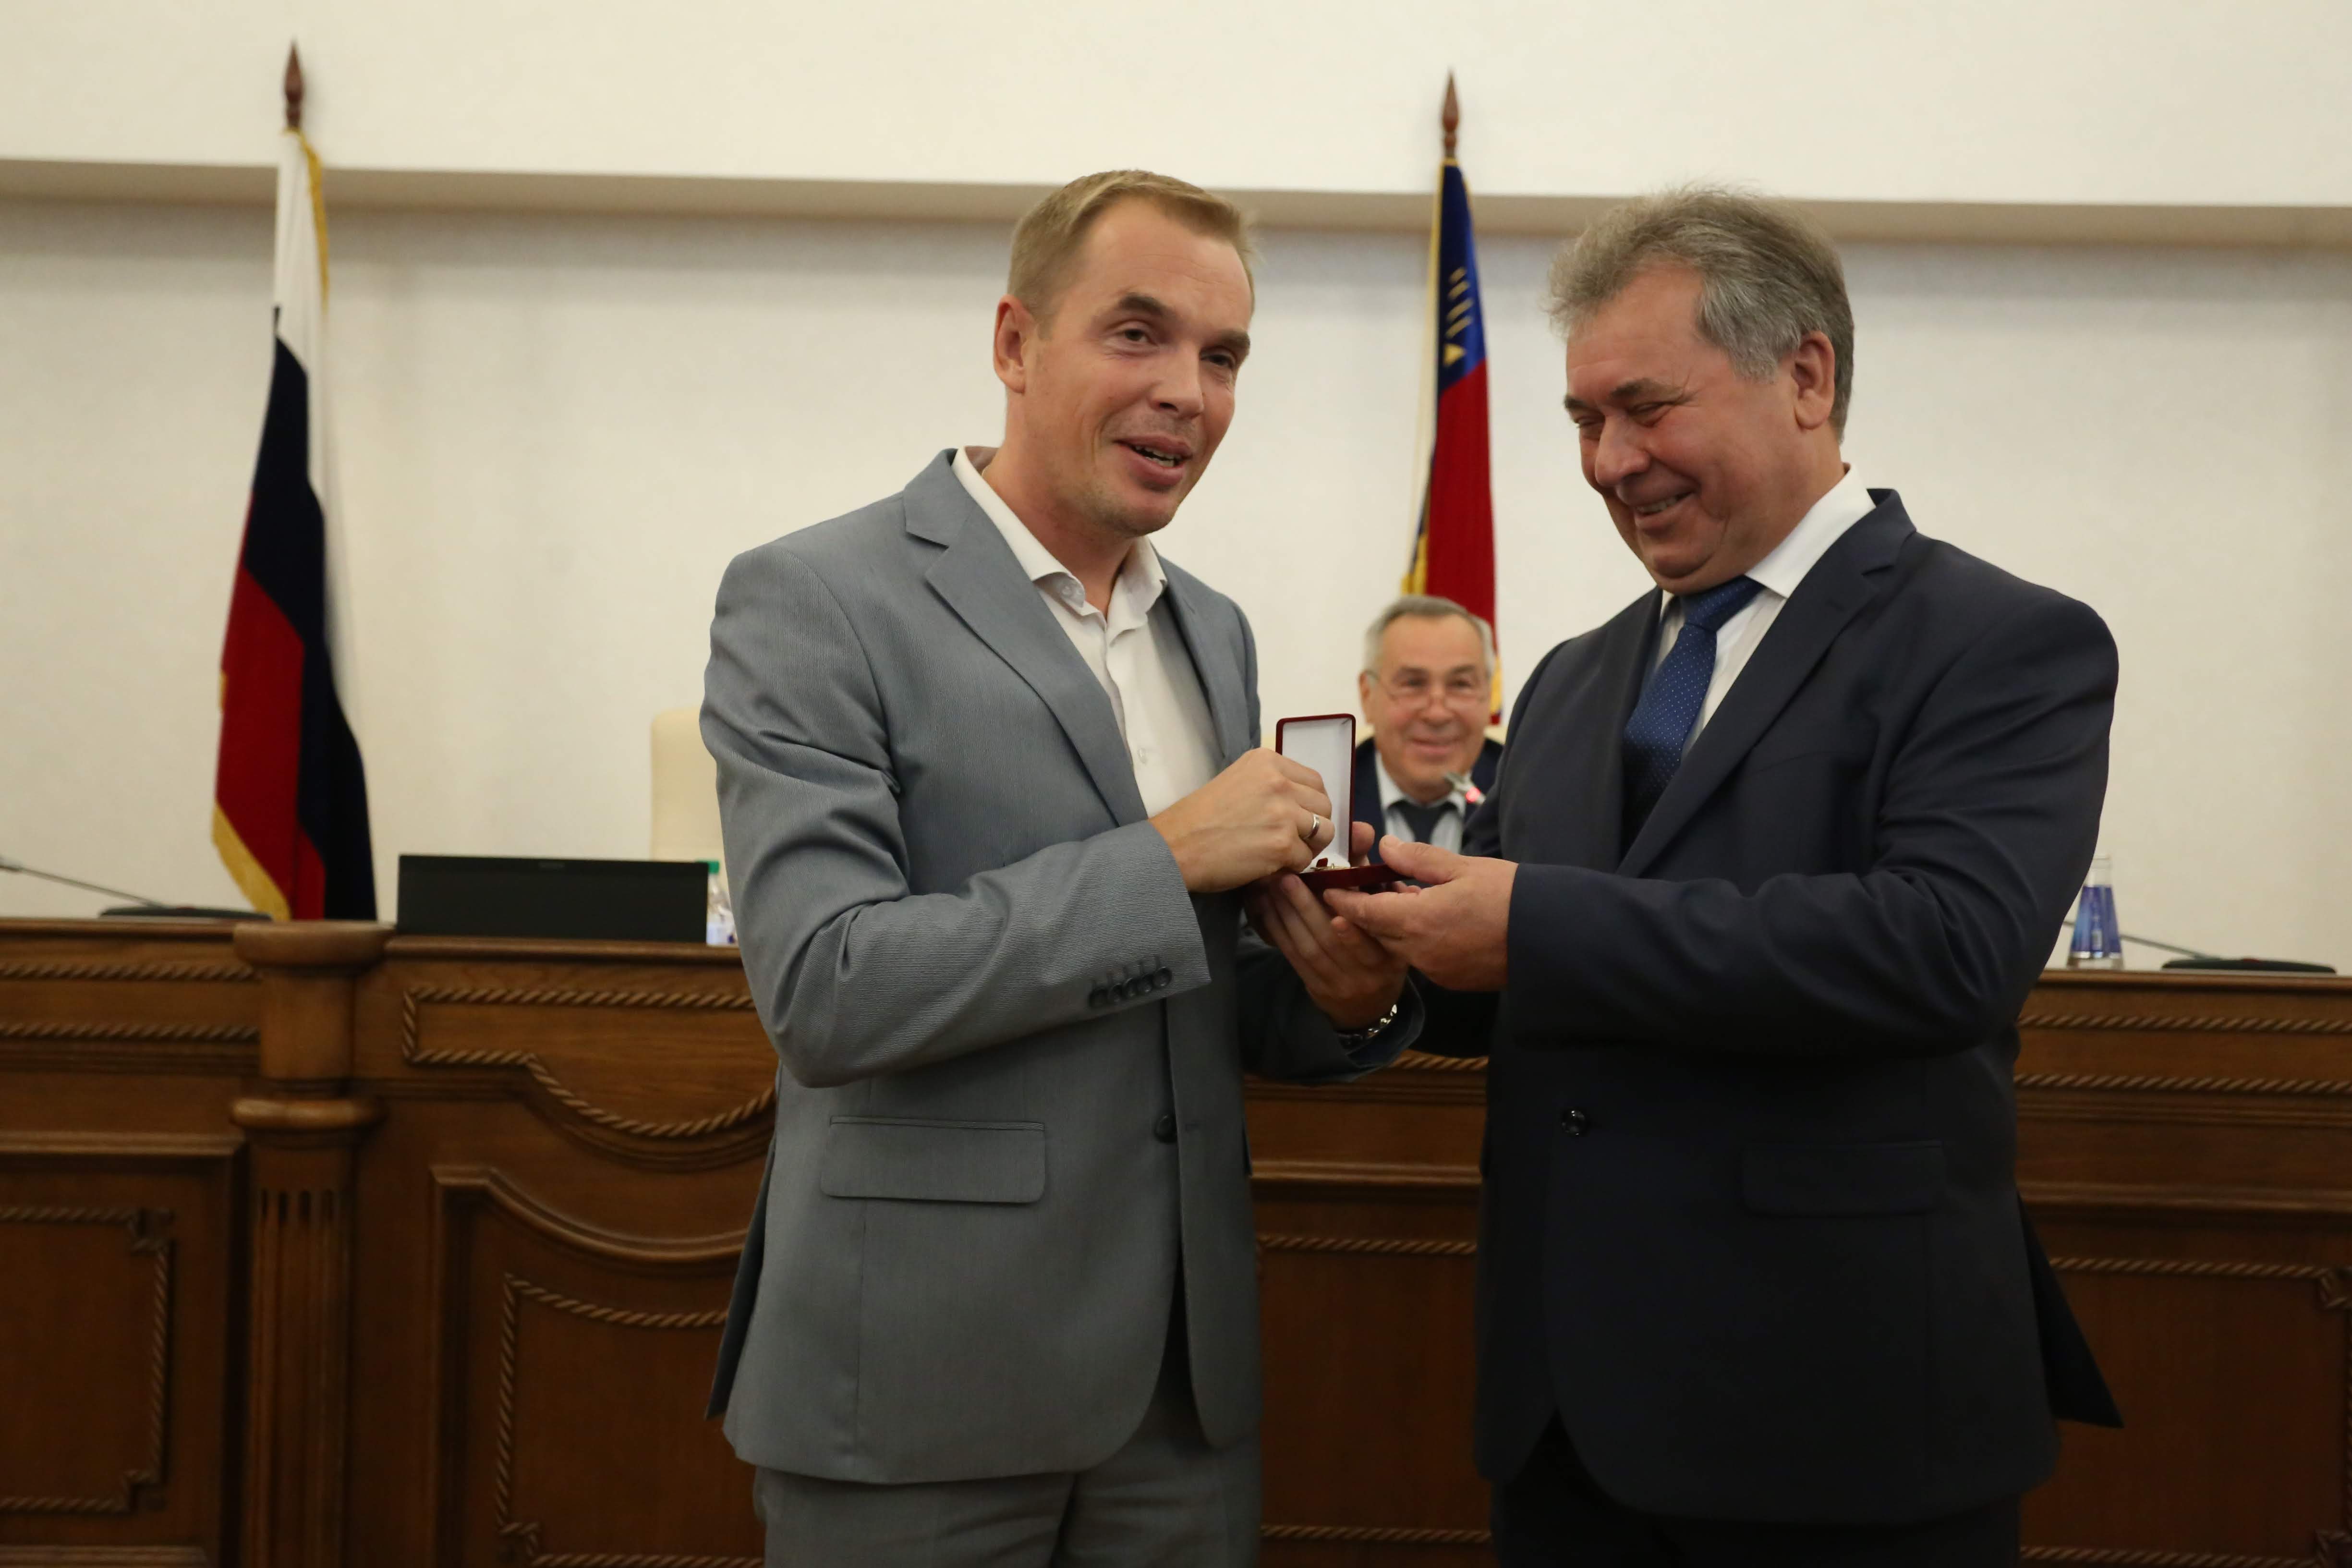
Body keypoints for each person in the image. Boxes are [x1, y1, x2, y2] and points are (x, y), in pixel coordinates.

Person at [1329, 186, 2122, 1566]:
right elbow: (1527, 975)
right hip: (1565, 1428)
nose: (1608, 461)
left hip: (1839, 1420)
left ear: (1804, 376)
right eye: (1583, 420)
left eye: (1646, 409)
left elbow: (1945, 949)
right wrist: (1379, 976)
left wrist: (1534, 924)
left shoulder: (1997, 642)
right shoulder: (1573, 676)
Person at [699, 169, 1414, 1567]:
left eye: (1223, 356)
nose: (1186, 392)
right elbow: (829, 988)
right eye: (1136, 333)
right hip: (918, 1383)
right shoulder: (814, 594)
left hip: (1181, 1396)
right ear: (1014, 342)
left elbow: (1191, 988)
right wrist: (1165, 855)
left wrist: (1346, 999)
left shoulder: (1212, 628)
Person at [1351, 595, 1503, 858]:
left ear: (1489, 695)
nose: (1437, 714)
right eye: (1413, 684)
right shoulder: (1325, 802)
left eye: (1461, 684)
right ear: (1367, 696)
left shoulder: (1527, 799)